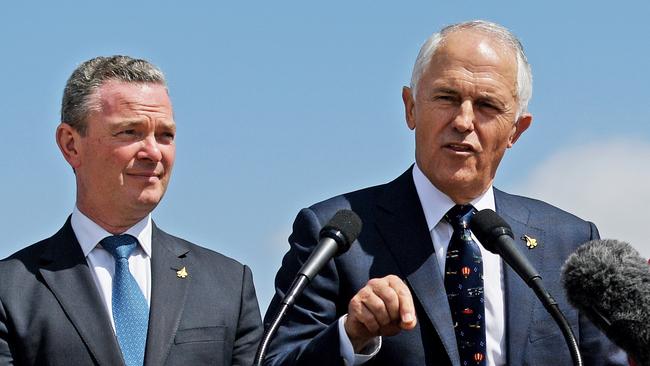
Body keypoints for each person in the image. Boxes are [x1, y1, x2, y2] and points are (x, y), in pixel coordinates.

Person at [263, 21, 627, 365]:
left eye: (486, 105)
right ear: (411, 108)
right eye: (446, 97)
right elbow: (272, 359)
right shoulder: (336, 234)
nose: (463, 121)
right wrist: (350, 336)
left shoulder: (570, 243)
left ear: (517, 130)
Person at [0, 55, 262, 366]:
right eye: (130, 132)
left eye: (165, 135)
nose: (153, 152)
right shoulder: (10, 291)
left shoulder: (229, 284)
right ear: (71, 145)